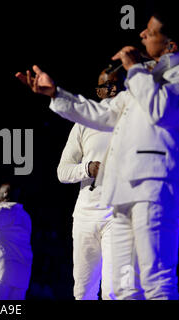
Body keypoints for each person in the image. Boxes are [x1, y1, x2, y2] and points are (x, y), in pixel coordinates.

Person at [16, 9, 179, 299]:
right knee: (122, 288)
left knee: (157, 282)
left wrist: (136, 69)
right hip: (122, 195)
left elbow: (162, 111)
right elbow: (100, 112)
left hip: (155, 190)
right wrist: (56, 94)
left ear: (171, 45)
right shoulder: (145, 80)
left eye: (150, 32)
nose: (141, 35)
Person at [57, 67, 124, 300]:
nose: (110, 90)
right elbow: (62, 172)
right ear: (99, 91)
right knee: (83, 290)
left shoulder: (133, 118)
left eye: (115, 85)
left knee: (113, 291)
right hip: (85, 215)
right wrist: (87, 168)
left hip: (119, 214)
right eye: (105, 86)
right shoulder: (83, 124)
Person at [0, 182, 33, 300]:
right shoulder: (25, 216)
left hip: (0, 274)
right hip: (21, 275)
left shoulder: (3, 212)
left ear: (5, 194)